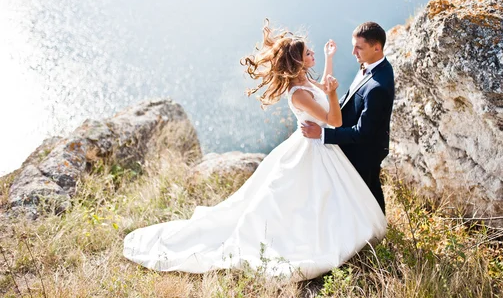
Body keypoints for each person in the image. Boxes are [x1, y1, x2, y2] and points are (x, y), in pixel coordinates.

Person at [123, 19, 386, 281]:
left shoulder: (306, 82)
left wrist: (329, 61)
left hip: (320, 147)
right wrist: (332, 94)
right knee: (304, 200)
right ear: (298, 62)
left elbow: (325, 85)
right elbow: (334, 121)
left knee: (321, 197)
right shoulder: (298, 93)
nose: (312, 53)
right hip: (312, 148)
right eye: (308, 53)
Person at [301, 22, 394, 214]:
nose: (353, 52)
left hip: (364, 151)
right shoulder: (371, 65)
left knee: (366, 195)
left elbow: (363, 133)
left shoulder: (378, 87)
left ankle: (377, 235)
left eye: (358, 47)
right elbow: (349, 98)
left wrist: (322, 134)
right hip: (356, 143)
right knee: (364, 193)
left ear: (377, 47)